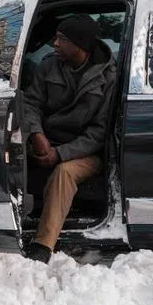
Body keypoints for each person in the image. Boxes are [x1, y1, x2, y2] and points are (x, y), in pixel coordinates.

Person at [22, 14, 117, 263]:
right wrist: (36, 134)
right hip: (45, 141)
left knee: (64, 172)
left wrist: (60, 154)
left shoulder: (108, 79)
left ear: (80, 45)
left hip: (86, 151)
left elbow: (99, 132)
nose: (55, 43)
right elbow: (30, 103)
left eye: (62, 39)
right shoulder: (49, 66)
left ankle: (43, 245)